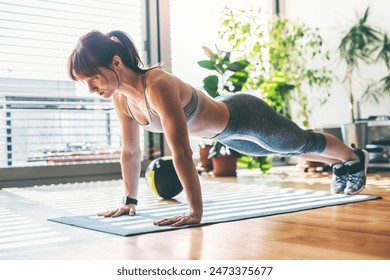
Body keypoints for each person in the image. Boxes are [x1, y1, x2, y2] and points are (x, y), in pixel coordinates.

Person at [68, 30, 369, 227]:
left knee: (297, 144)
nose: (91, 88)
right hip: (226, 135)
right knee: (288, 150)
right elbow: (131, 153)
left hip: (243, 115)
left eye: (93, 78)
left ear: (116, 62)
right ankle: (344, 163)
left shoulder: (157, 84)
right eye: (85, 83)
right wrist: (129, 201)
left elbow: (182, 151)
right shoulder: (122, 101)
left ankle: (354, 158)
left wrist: (195, 211)